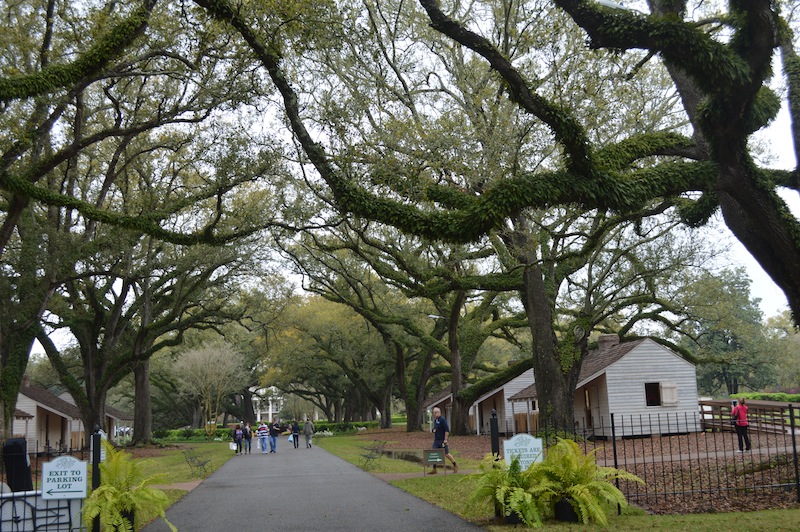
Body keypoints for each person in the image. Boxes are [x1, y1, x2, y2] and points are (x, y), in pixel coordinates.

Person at [428, 407, 457, 474]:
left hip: (442, 440)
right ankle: (434, 469)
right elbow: (435, 428)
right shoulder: (435, 421)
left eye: (435, 413)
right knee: (434, 453)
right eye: (433, 413)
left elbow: (446, 430)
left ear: (439, 413)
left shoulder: (442, 420)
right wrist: (433, 430)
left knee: (446, 454)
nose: (434, 414)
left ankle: (455, 465)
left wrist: (445, 439)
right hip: (436, 440)